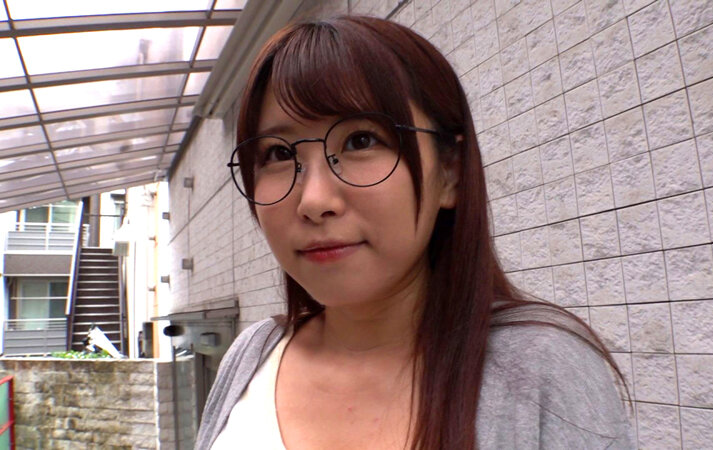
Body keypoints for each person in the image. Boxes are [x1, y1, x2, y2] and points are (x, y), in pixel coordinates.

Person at [196, 15, 633, 450]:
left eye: (361, 141)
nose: (313, 200)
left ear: (449, 172)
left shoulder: (542, 369)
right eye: (278, 153)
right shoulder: (252, 353)